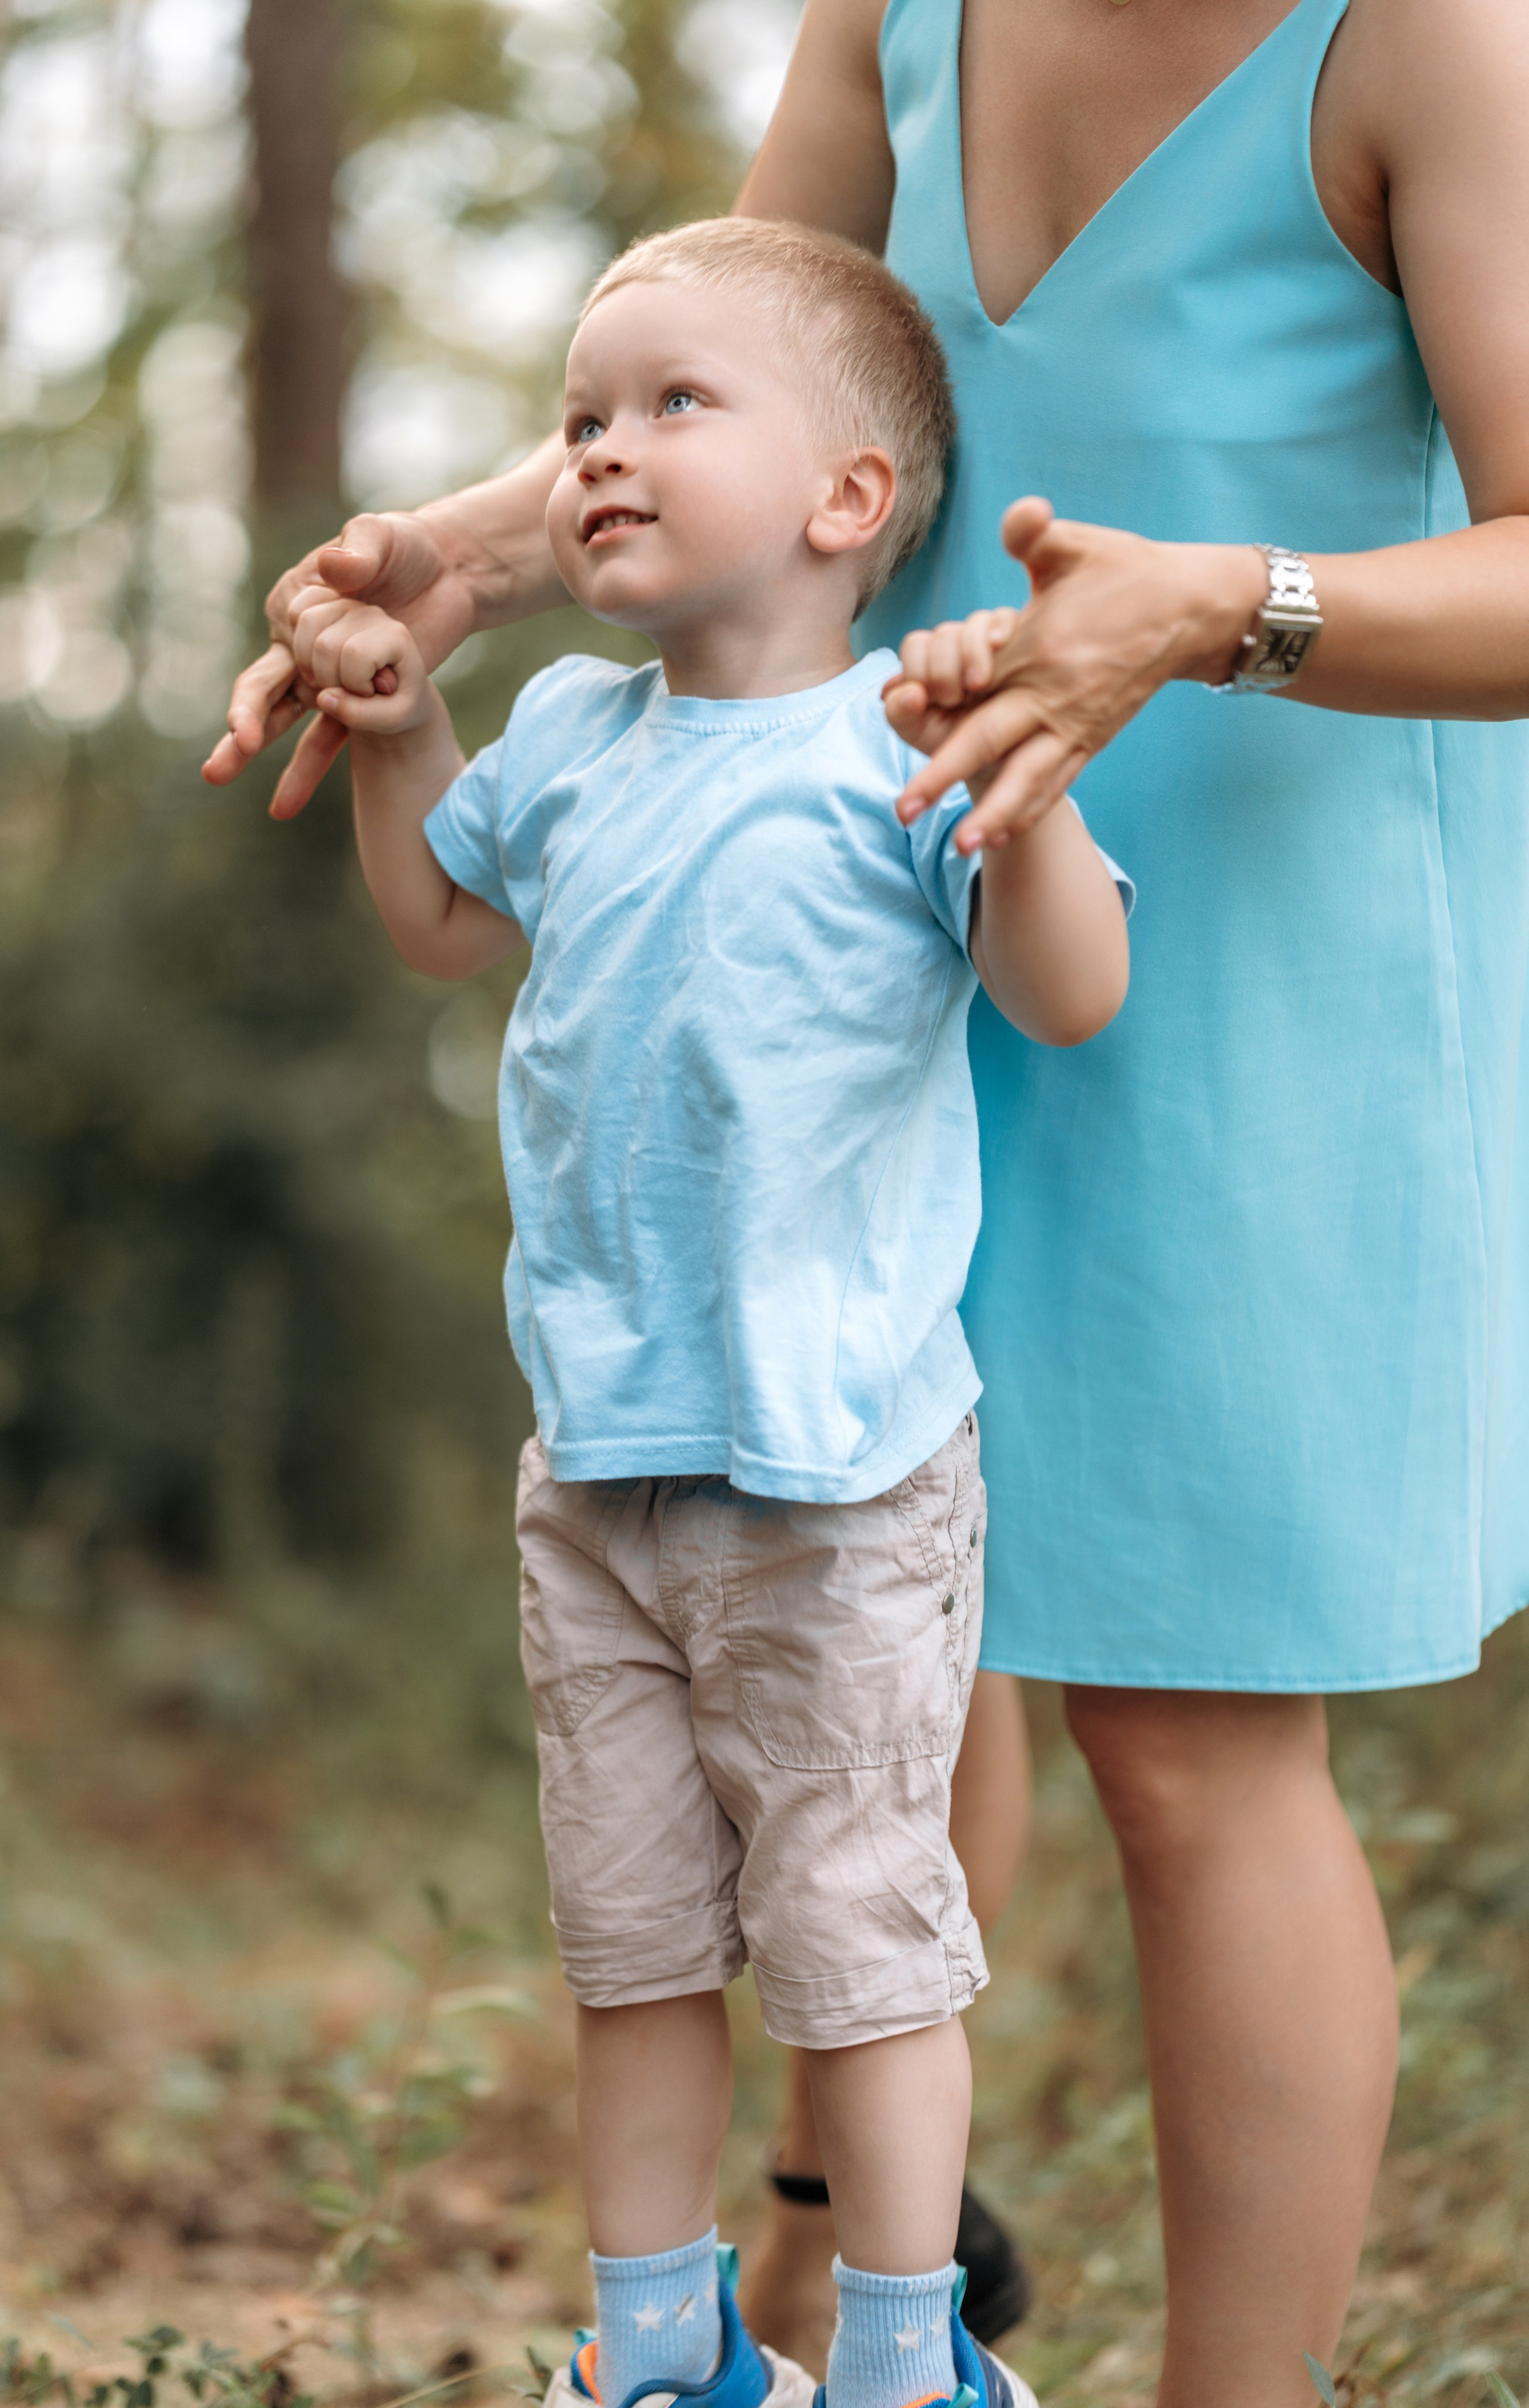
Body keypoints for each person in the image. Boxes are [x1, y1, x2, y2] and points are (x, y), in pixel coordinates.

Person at [207, 3, 1529, 2402]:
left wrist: (1220, 606)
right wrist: (448, 565)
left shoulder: (1433, 39)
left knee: (1186, 1738)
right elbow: (762, 347)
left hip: (1245, 947)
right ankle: (841, 2304)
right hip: (848, 902)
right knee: (880, 1598)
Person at [289, 215, 1132, 2408]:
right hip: (598, 1467)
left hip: (839, 1475)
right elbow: (440, 924)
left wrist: (1028, 788)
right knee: (636, 1944)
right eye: (582, 414)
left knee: (861, 1949)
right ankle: (664, 2348)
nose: (598, 449)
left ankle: (901, 2358)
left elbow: (1070, 991)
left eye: (673, 402)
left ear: (848, 498)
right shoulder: (575, 733)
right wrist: (402, 722)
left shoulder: (900, 737)